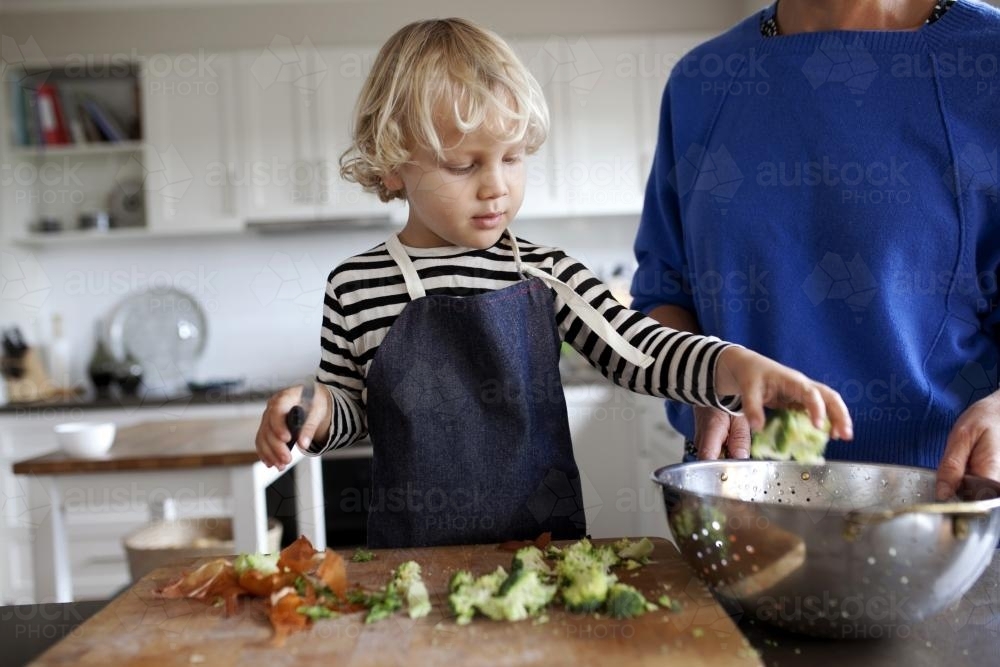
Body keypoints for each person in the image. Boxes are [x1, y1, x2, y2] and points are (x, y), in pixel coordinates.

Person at [255, 18, 852, 549]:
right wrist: (310, 410)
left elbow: (640, 353)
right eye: (465, 165)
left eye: (513, 158)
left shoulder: (545, 273)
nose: (497, 186)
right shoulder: (356, 285)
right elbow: (351, 411)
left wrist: (735, 365)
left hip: (548, 555)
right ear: (392, 165)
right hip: (413, 560)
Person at [630, 0, 1000, 501]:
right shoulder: (701, 80)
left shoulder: (987, 61)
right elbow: (661, 295)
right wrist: (702, 378)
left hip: (946, 511)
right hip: (738, 509)